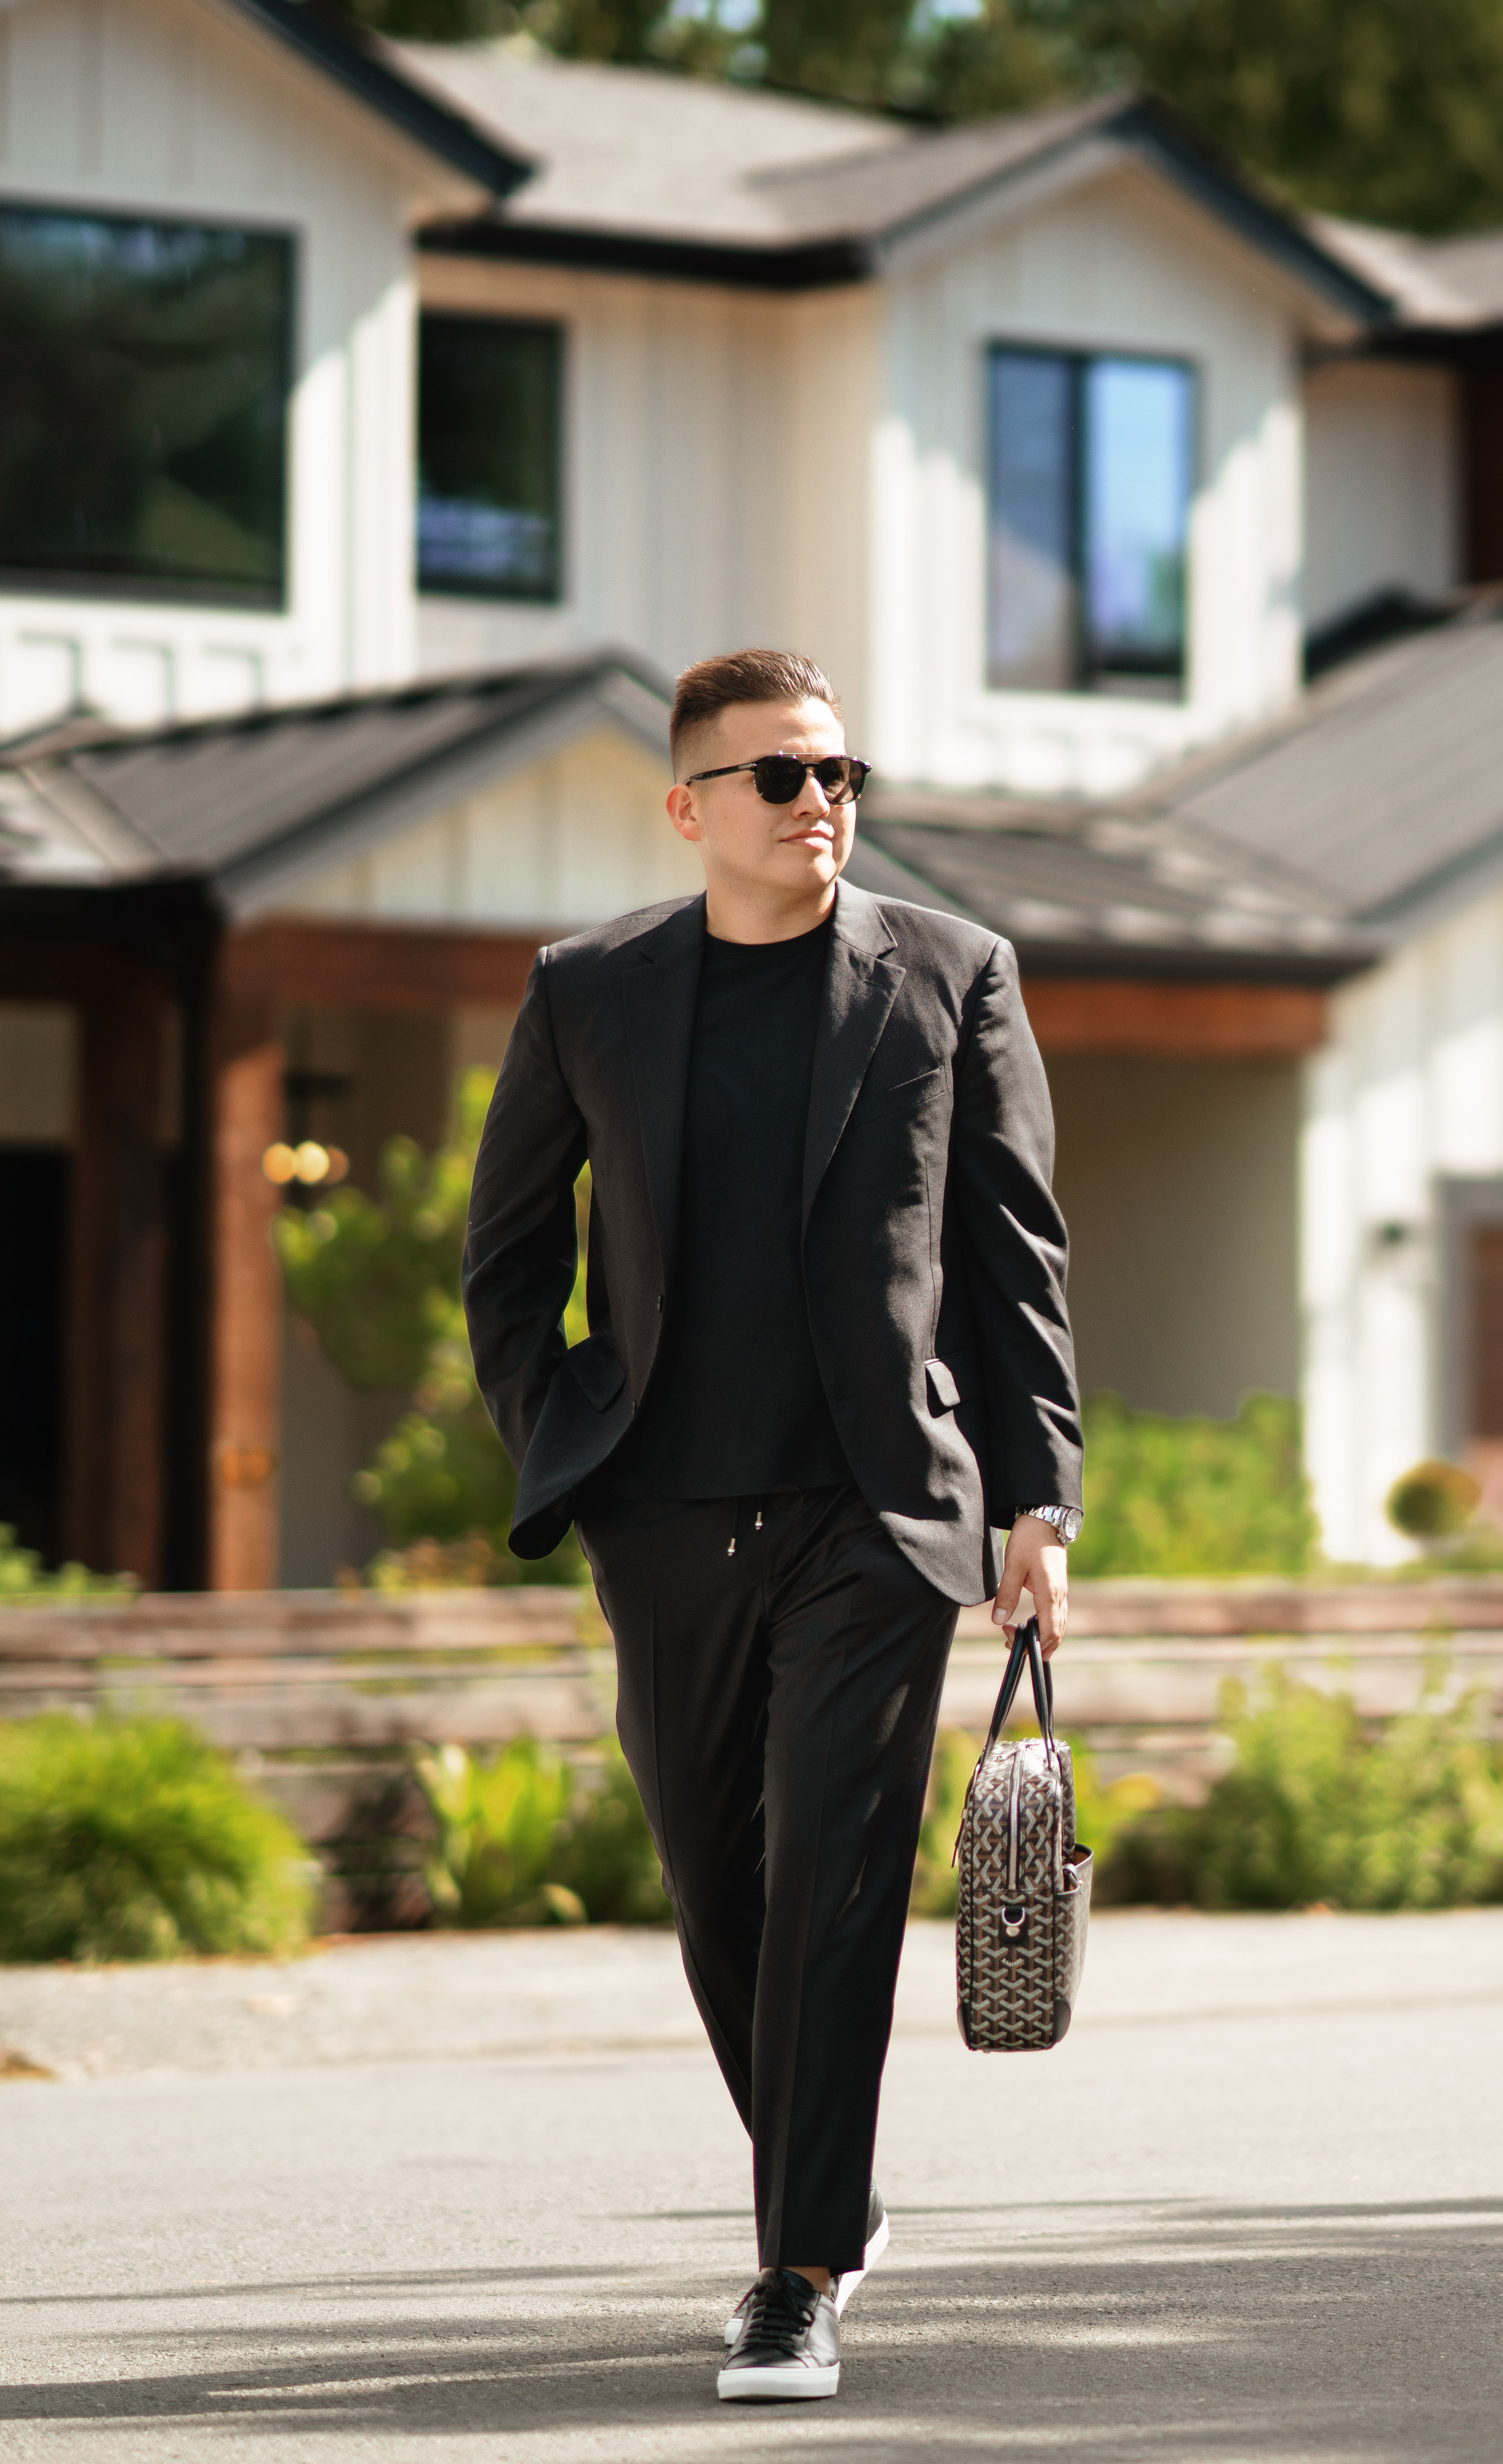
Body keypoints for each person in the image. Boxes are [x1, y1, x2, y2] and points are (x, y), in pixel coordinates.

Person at [462, 645, 1081, 2405]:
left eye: (840, 773)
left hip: (879, 1515)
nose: (823, 802)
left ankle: (796, 2272)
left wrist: (1037, 1497)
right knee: (715, 1883)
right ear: (690, 807)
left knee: (833, 1886)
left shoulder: (950, 974)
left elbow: (1013, 1255)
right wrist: (564, 1438)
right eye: (783, 775)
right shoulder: (588, 990)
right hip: (660, 1510)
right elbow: (506, 1252)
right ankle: (834, 2183)